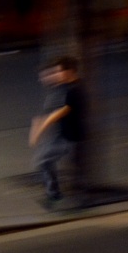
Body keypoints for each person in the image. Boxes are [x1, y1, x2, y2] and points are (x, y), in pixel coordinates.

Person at [29, 56, 89, 209]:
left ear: (69, 71)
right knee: (64, 166)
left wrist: (39, 130)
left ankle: (56, 197)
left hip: (72, 137)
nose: (58, 75)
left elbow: (59, 113)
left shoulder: (75, 90)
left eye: (59, 71)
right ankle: (63, 197)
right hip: (66, 135)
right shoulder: (68, 87)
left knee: (46, 161)